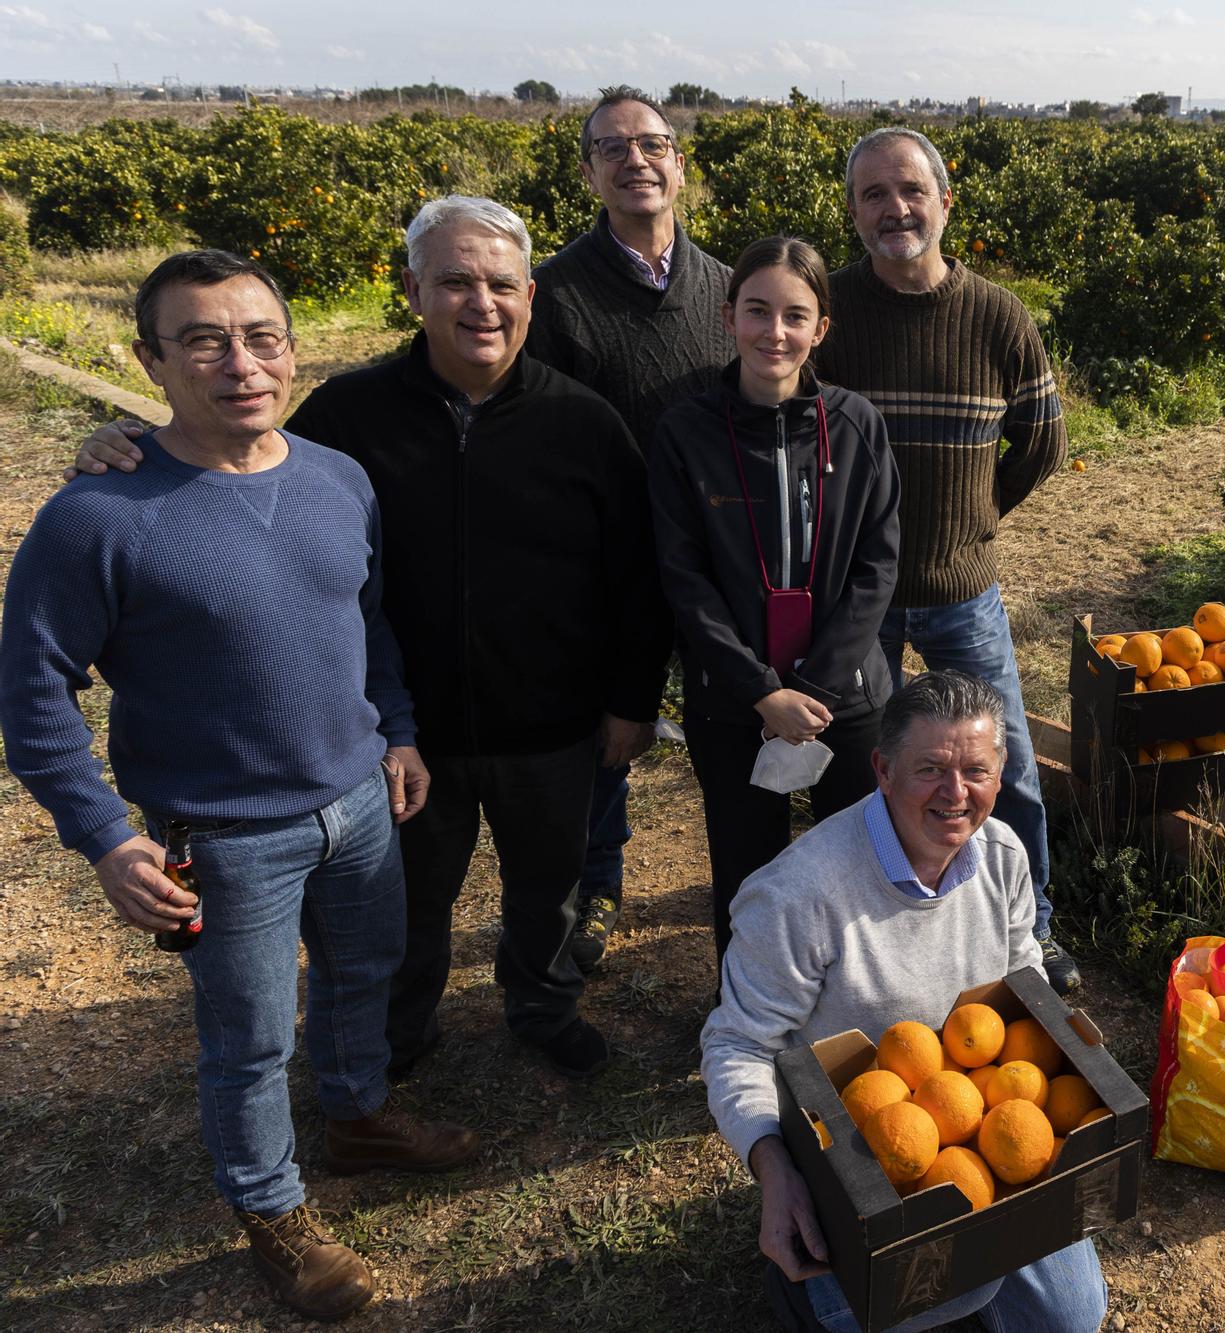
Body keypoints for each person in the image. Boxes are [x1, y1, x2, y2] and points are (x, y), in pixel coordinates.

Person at [68, 197, 669, 1081]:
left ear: (531, 297)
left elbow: (637, 578)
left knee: (548, 891)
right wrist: (130, 444)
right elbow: (231, 466)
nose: (482, 303)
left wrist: (630, 700)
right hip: (403, 737)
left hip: (555, 726)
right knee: (410, 908)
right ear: (412, 290)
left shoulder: (584, 423)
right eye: (455, 281)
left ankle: (541, 1003)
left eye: (501, 283)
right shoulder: (346, 417)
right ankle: (401, 1030)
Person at [0, 249, 478, 1321]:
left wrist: (395, 729)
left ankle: (358, 1115)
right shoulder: (99, 515)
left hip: (358, 801)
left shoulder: (334, 477)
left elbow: (365, 623)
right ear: (152, 361)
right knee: (250, 1036)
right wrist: (107, 838)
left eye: (261, 337)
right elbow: (32, 690)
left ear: (291, 347)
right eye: (203, 341)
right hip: (219, 834)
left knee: (364, 975)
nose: (239, 363)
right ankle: (271, 1209)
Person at [701, 671, 1108, 1333]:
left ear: (1001, 773)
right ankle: (802, 1288)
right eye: (930, 769)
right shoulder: (798, 896)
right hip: (860, 1156)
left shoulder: (1003, 856)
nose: (956, 793)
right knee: (887, 1303)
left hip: (988, 1136)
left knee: (1070, 1317)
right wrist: (775, 1168)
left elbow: (1023, 978)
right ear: (883, 770)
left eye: (977, 769)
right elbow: (737, 1045)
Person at [813, 127, 1081, 995]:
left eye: (910, 191)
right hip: (864, 596)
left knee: (1007, 771)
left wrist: (974, 519)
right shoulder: (833, 316)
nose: (895, 209)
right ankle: (892, 920)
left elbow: (1041, 440)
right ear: (853, 211)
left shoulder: (997, 314)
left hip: (963, 591)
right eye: (873, 196)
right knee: (878, 767)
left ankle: (1030, 929)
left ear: (943, 202)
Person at [524, 84, 735, 974]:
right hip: (605, 566)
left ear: (680, 164)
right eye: (612, 148)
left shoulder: (726, 288)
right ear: (588, 173)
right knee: (602, 742)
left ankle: (748, 881)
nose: (635, 160)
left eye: (651, 143)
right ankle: (596, 888)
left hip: (717, 563)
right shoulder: (557, 295)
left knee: (730, 729)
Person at [648, 236, 900, 972]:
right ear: (728, 316)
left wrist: (811, 691)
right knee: (747, 868)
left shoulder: (856, 426)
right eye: (758, 311)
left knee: (862, 863)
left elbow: (876, 568)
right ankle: (751, 1012)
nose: (775, 332)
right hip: (732, 704)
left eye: (796, 315)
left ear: (821, 328)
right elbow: (683, 578)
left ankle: (860, 1001)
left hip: (845, 702)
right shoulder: (686, 434)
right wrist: (762, 691)